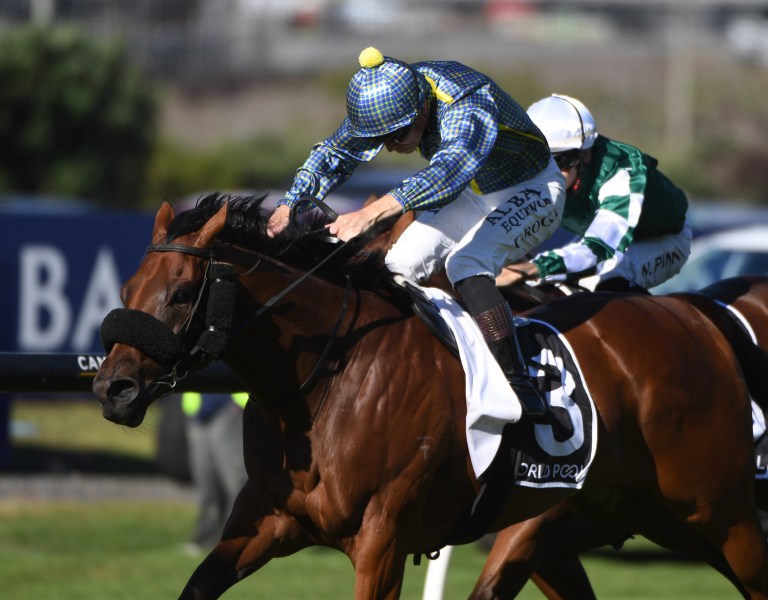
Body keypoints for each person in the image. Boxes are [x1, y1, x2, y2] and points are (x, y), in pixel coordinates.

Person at [267, 47, 565, 422]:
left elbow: (449, 172)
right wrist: (288, 205)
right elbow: (334, 153)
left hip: (534, 190)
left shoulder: (467, 100)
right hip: (473, 193)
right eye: (382, 138)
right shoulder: (398, 96)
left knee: (466, 265)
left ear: (422, 107)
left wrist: (370, 213)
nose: (392, 146)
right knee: (396, 267)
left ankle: (519, 386)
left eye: (396, 134)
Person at [496, 94, 692, 293]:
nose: (547, 174)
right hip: (602, 240)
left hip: (663, 240)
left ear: (585, 154)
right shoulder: (526, 173)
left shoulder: (621, 169)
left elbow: (600, 250)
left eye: (558, 161)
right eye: (536, 160)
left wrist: (532, 269)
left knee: (596, 278)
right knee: (548, 283)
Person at [182, 391, 248, 555]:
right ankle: (205, 537)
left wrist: (238, 405)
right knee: (205, 481)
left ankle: (234, 539)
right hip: (197, 412)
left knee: (234, 481)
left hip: (230, 407)